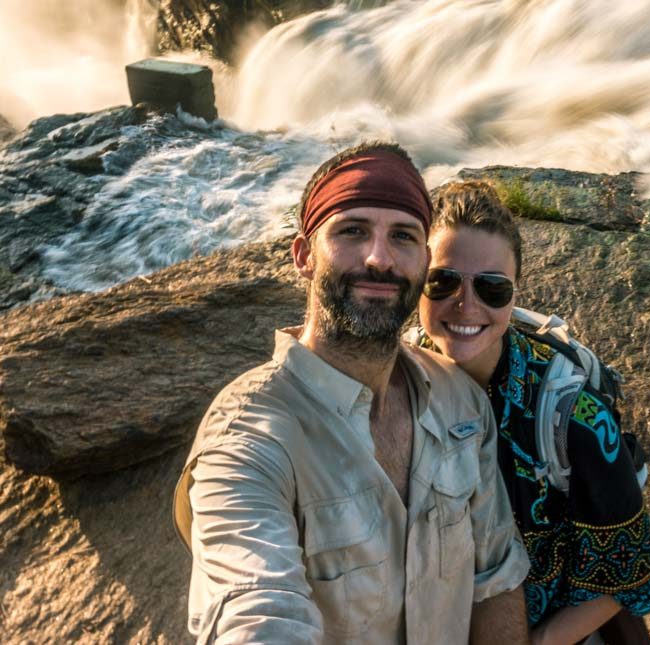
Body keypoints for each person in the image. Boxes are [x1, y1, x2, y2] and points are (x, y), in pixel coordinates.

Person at [175, 143, 531, 644]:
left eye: (403, 237)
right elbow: (257, 609)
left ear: (424, 260)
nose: (379, 259)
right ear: (303, 255)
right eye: (352, 231)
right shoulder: (251, 437)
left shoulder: (459, 402)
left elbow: (494, 580)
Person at [415, 180, 650, 645]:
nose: (466, 305)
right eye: (442, 281)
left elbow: (630, 574)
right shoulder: (394, 383)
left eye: (492, 287)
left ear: (514, 292)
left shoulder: (574, 419)